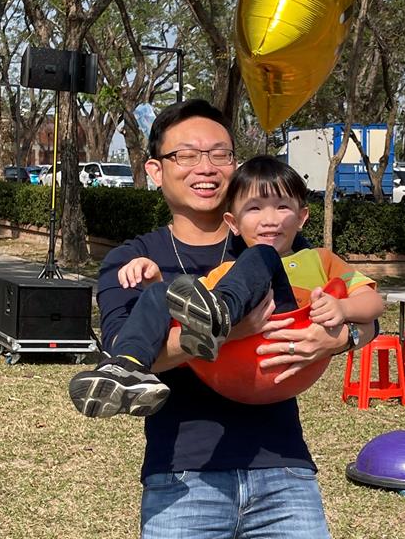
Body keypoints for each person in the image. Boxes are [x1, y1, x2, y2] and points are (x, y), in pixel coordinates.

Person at [93, 99, 378, 539]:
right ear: (154, 169)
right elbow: (133, 352)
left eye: (218, 152)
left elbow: (354, 305)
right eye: (185, 154)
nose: (205, 165)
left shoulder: (265, 234)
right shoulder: (132, 261)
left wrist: (340, 334)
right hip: (183, 472)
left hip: (282, 469)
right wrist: (220, 330)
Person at [69, 155, 384, 417]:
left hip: (285, 358)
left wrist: (342, 308)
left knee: (263, 255)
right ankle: (126, 368)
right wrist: (157, 284)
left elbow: (373, 303)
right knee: (163, 293)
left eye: (282, 207)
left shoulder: (320, 259)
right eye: (255, 208)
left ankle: (218, 317)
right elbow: (184, 303)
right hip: (233, 372)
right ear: (233, 223)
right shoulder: (229, 272)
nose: (270, 219)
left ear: (302, 217)